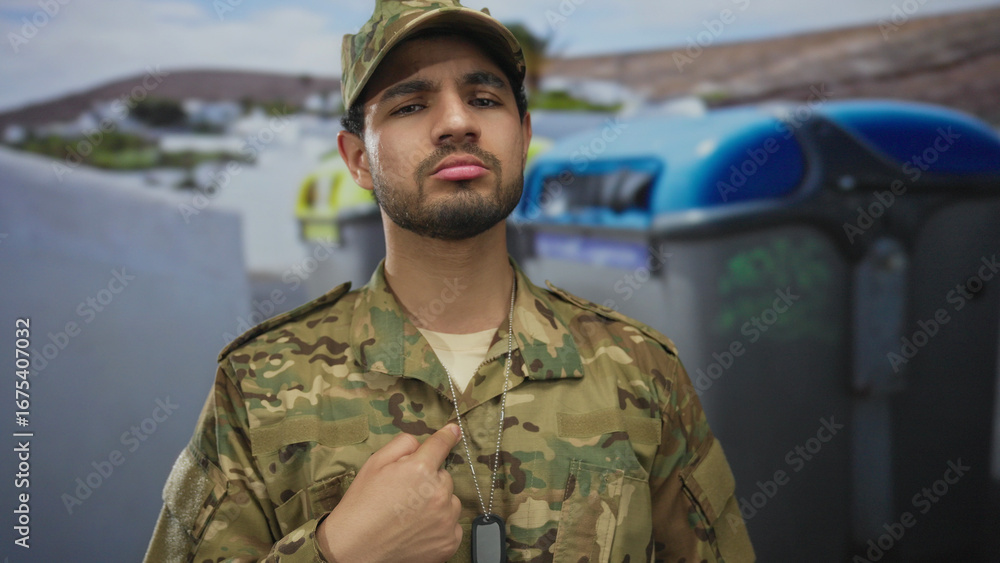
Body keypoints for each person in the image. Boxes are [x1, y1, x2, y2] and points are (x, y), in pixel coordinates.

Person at [143, 1, 756, 561]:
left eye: (485, 99)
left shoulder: (641, 370)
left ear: (525, 135)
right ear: (358, 159)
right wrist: (336, 551)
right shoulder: (258, 386)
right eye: (411, 105)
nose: (457, 122)